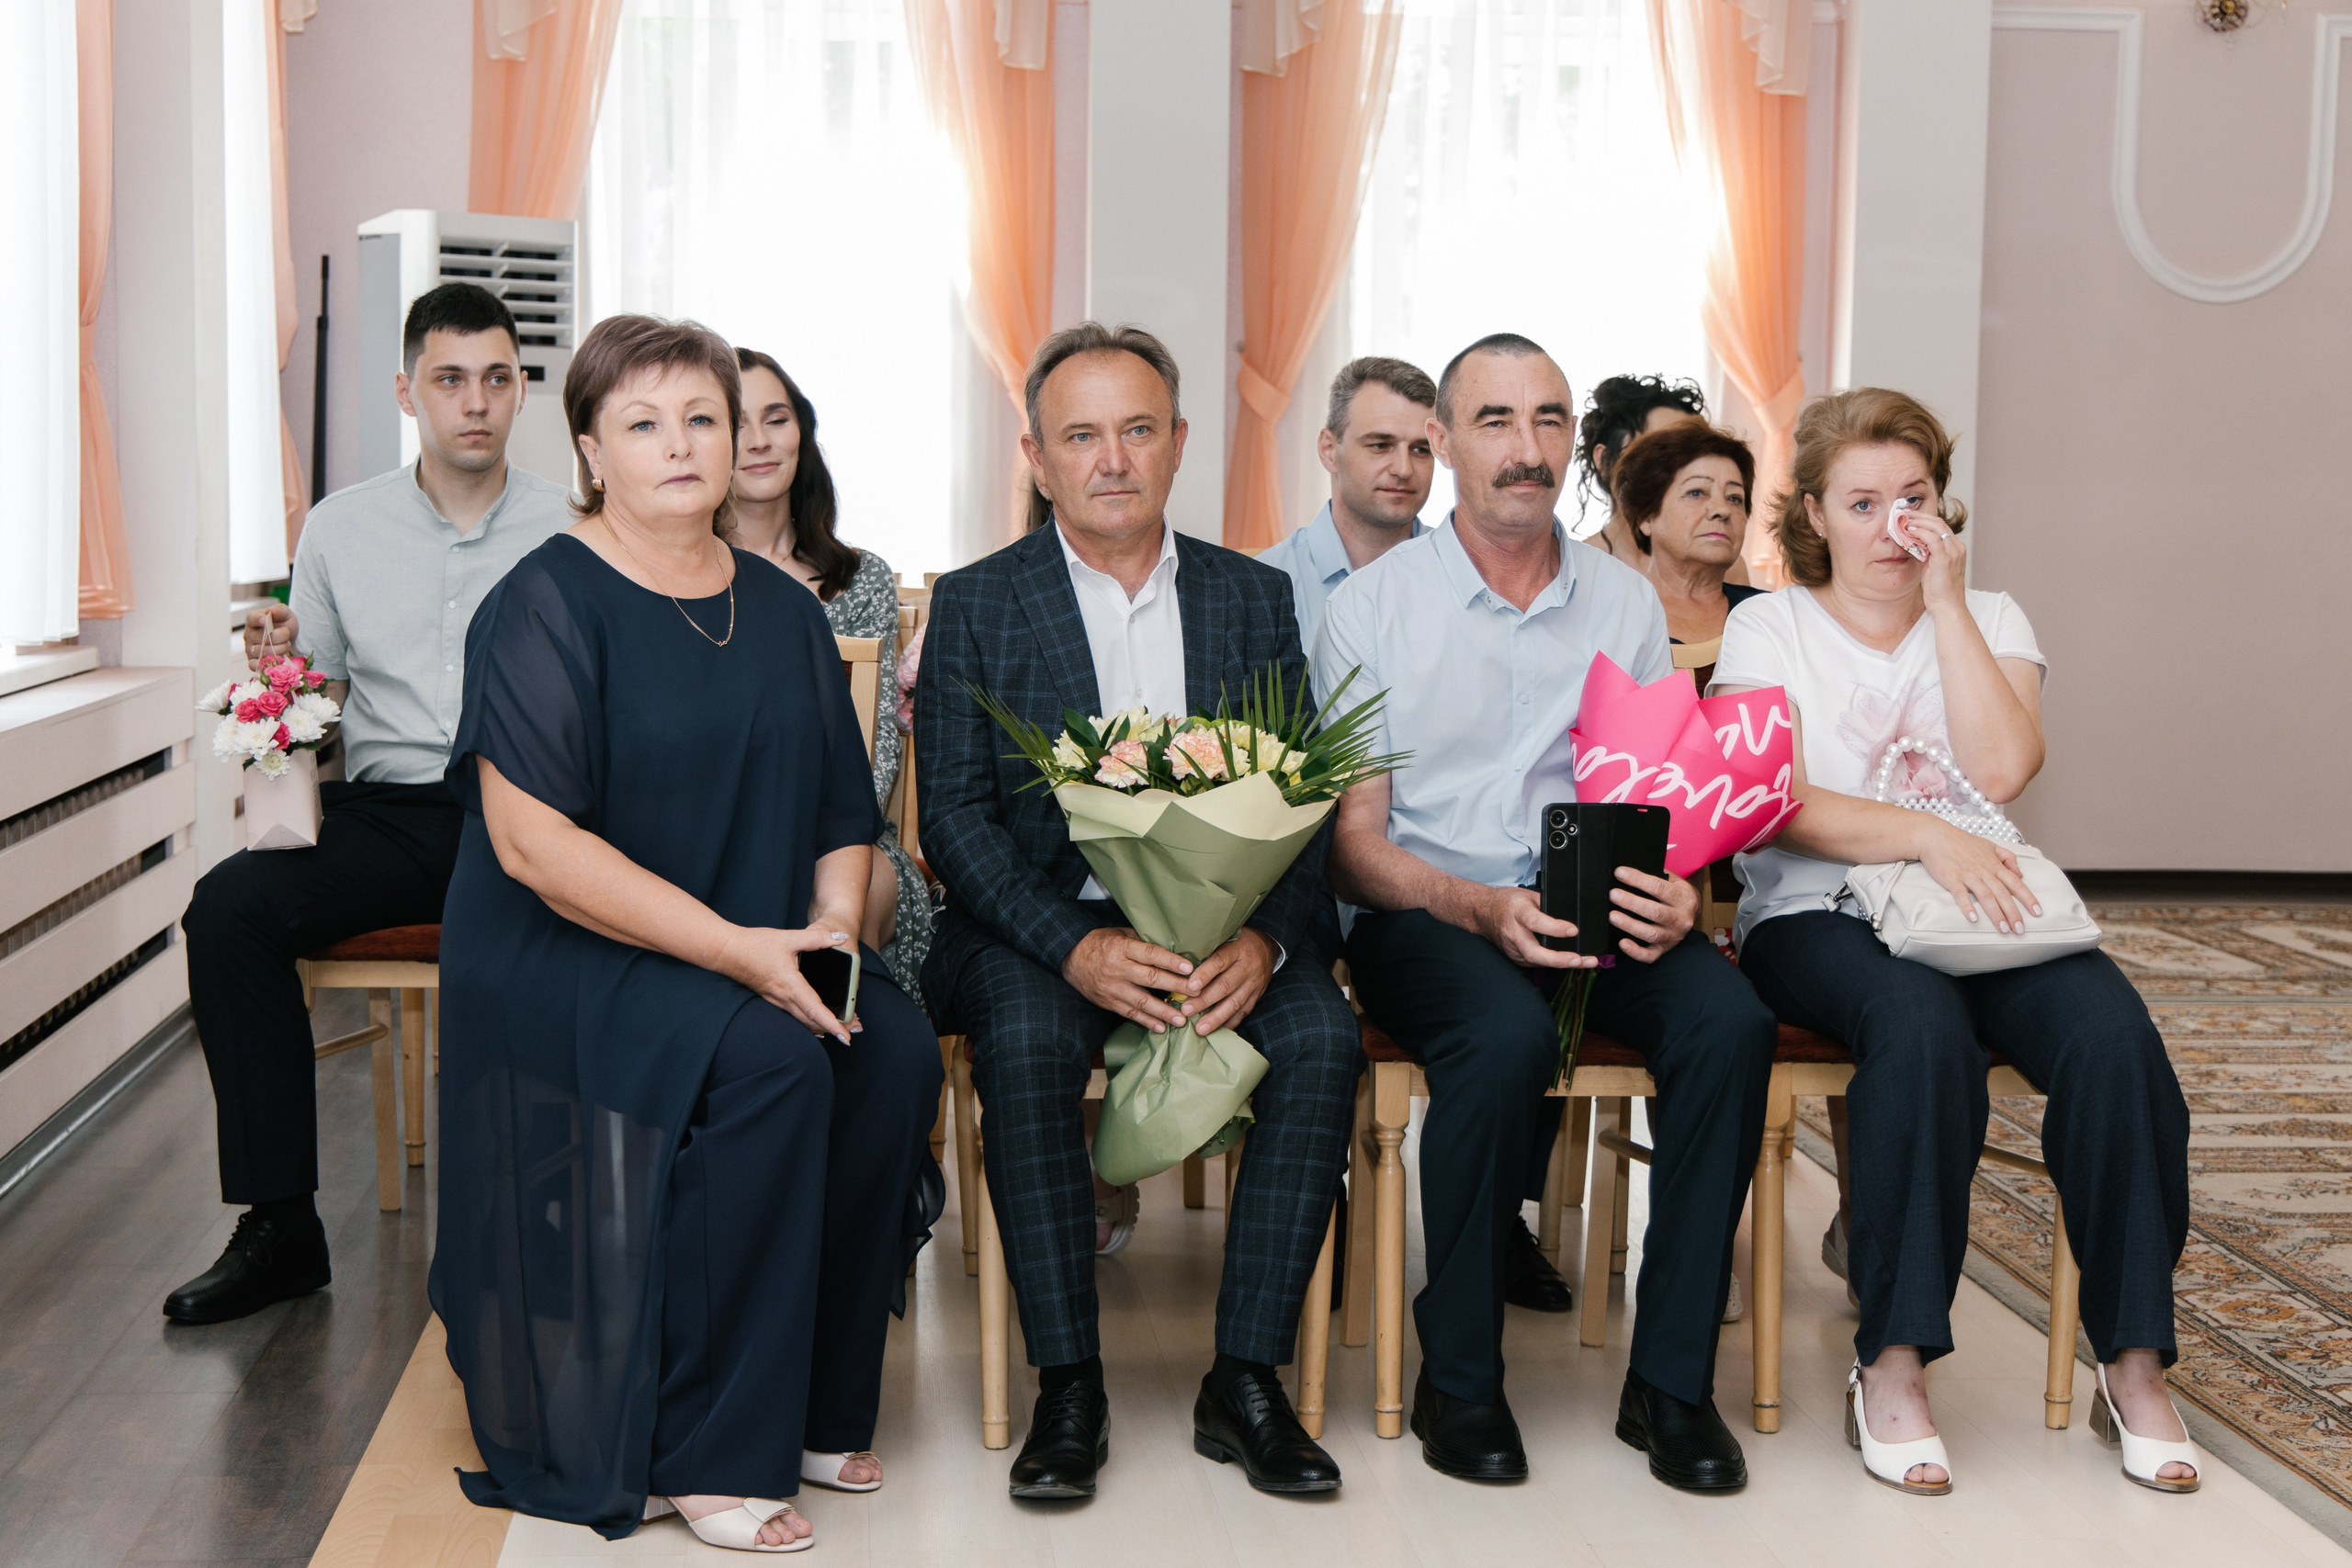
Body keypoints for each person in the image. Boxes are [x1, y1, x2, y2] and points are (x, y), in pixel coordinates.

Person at [431, 314, 944, 1551]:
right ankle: (703, 1439)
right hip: (568, 954)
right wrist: (745, 956)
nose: (680, 444)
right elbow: (534, 848)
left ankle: (817, 1402)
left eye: (703, 418)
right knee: (771, 1060)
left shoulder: (777, 608)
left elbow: (841, 808)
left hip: (746, 936)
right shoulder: (544, 600)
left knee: (888, 1048)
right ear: (592, 451)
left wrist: (825, 936)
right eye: (644, 422)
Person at [1713, 388, 2197, 1495]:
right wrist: (1925, 838)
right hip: (1816, 912)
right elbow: (1775, 806)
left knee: (2115, 1042)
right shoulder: (1767, 626)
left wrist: (1951, 607)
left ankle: (2133, 1363)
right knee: (1918, 1032)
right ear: (1816, 516)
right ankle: (1891, 1360)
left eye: (1914, 498)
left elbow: (2002, 772)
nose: (1892, 525)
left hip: (1983, 912)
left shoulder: (1994, 616)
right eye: (1864, 501)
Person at [1317, 333, 1776, 1493]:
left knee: (1729, 1024)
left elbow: (1651, 795)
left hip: (1591, 895)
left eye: (1548, 422)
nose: (1526, 451)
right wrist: (1474, 906)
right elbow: (1356, 849)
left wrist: (1672, 889)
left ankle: (1669, 1386)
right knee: (1503, 1035)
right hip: (1429, 907)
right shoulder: (1371, 610)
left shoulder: (1622, 603)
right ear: (1443, 442)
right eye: (1495, 422)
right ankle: (1458, 1379)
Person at [916, 322, 1362, 1501]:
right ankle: (1069, 1384)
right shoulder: (975, 602)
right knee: (1019, 1041)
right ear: (1036, 455)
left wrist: (1266, 941)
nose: (1111, 459)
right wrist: (1076, 945)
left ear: (1176, 444)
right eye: (1080, 436)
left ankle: (1246, 1378)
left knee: (1321, 1036)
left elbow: (1308, 800)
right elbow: (951, 822)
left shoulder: (1253, 598)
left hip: (1227, 929)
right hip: (1031, 927)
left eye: (1136, 430)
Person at [167, 283, 572, 1325]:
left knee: (543, 933)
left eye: (494, 378)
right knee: (227, 909)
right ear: (408, 392)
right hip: (391, 809)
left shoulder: (575, 529)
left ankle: (549, 1223)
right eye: (449, 380)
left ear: (521, 389)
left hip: (530, 811)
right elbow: (318, 701)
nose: (473, 402)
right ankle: (280, 1227)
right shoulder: (341, 528)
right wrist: (282, 664)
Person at [729, 346, 933, 1008]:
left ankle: (851, 1051)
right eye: (733, 422)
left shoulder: (860, 579)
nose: (758, 441)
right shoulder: (675, 582)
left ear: (803, 432)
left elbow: (875, 759)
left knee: (849, 887)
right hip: (720, 834)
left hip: (846, 840)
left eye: (776, 418)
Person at [1254, 355, 1436, 651]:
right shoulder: (1262, 585)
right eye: (1380, 445)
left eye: (1420, 449)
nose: (1404, 469)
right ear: (1328, 450)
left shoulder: (1466, 572)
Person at [1572, 373, 1706, 566]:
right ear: (1603, 459)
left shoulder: (1719, 565)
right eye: (1658, 451)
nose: (1679, 468)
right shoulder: (1576, 568)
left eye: (1690, 454)